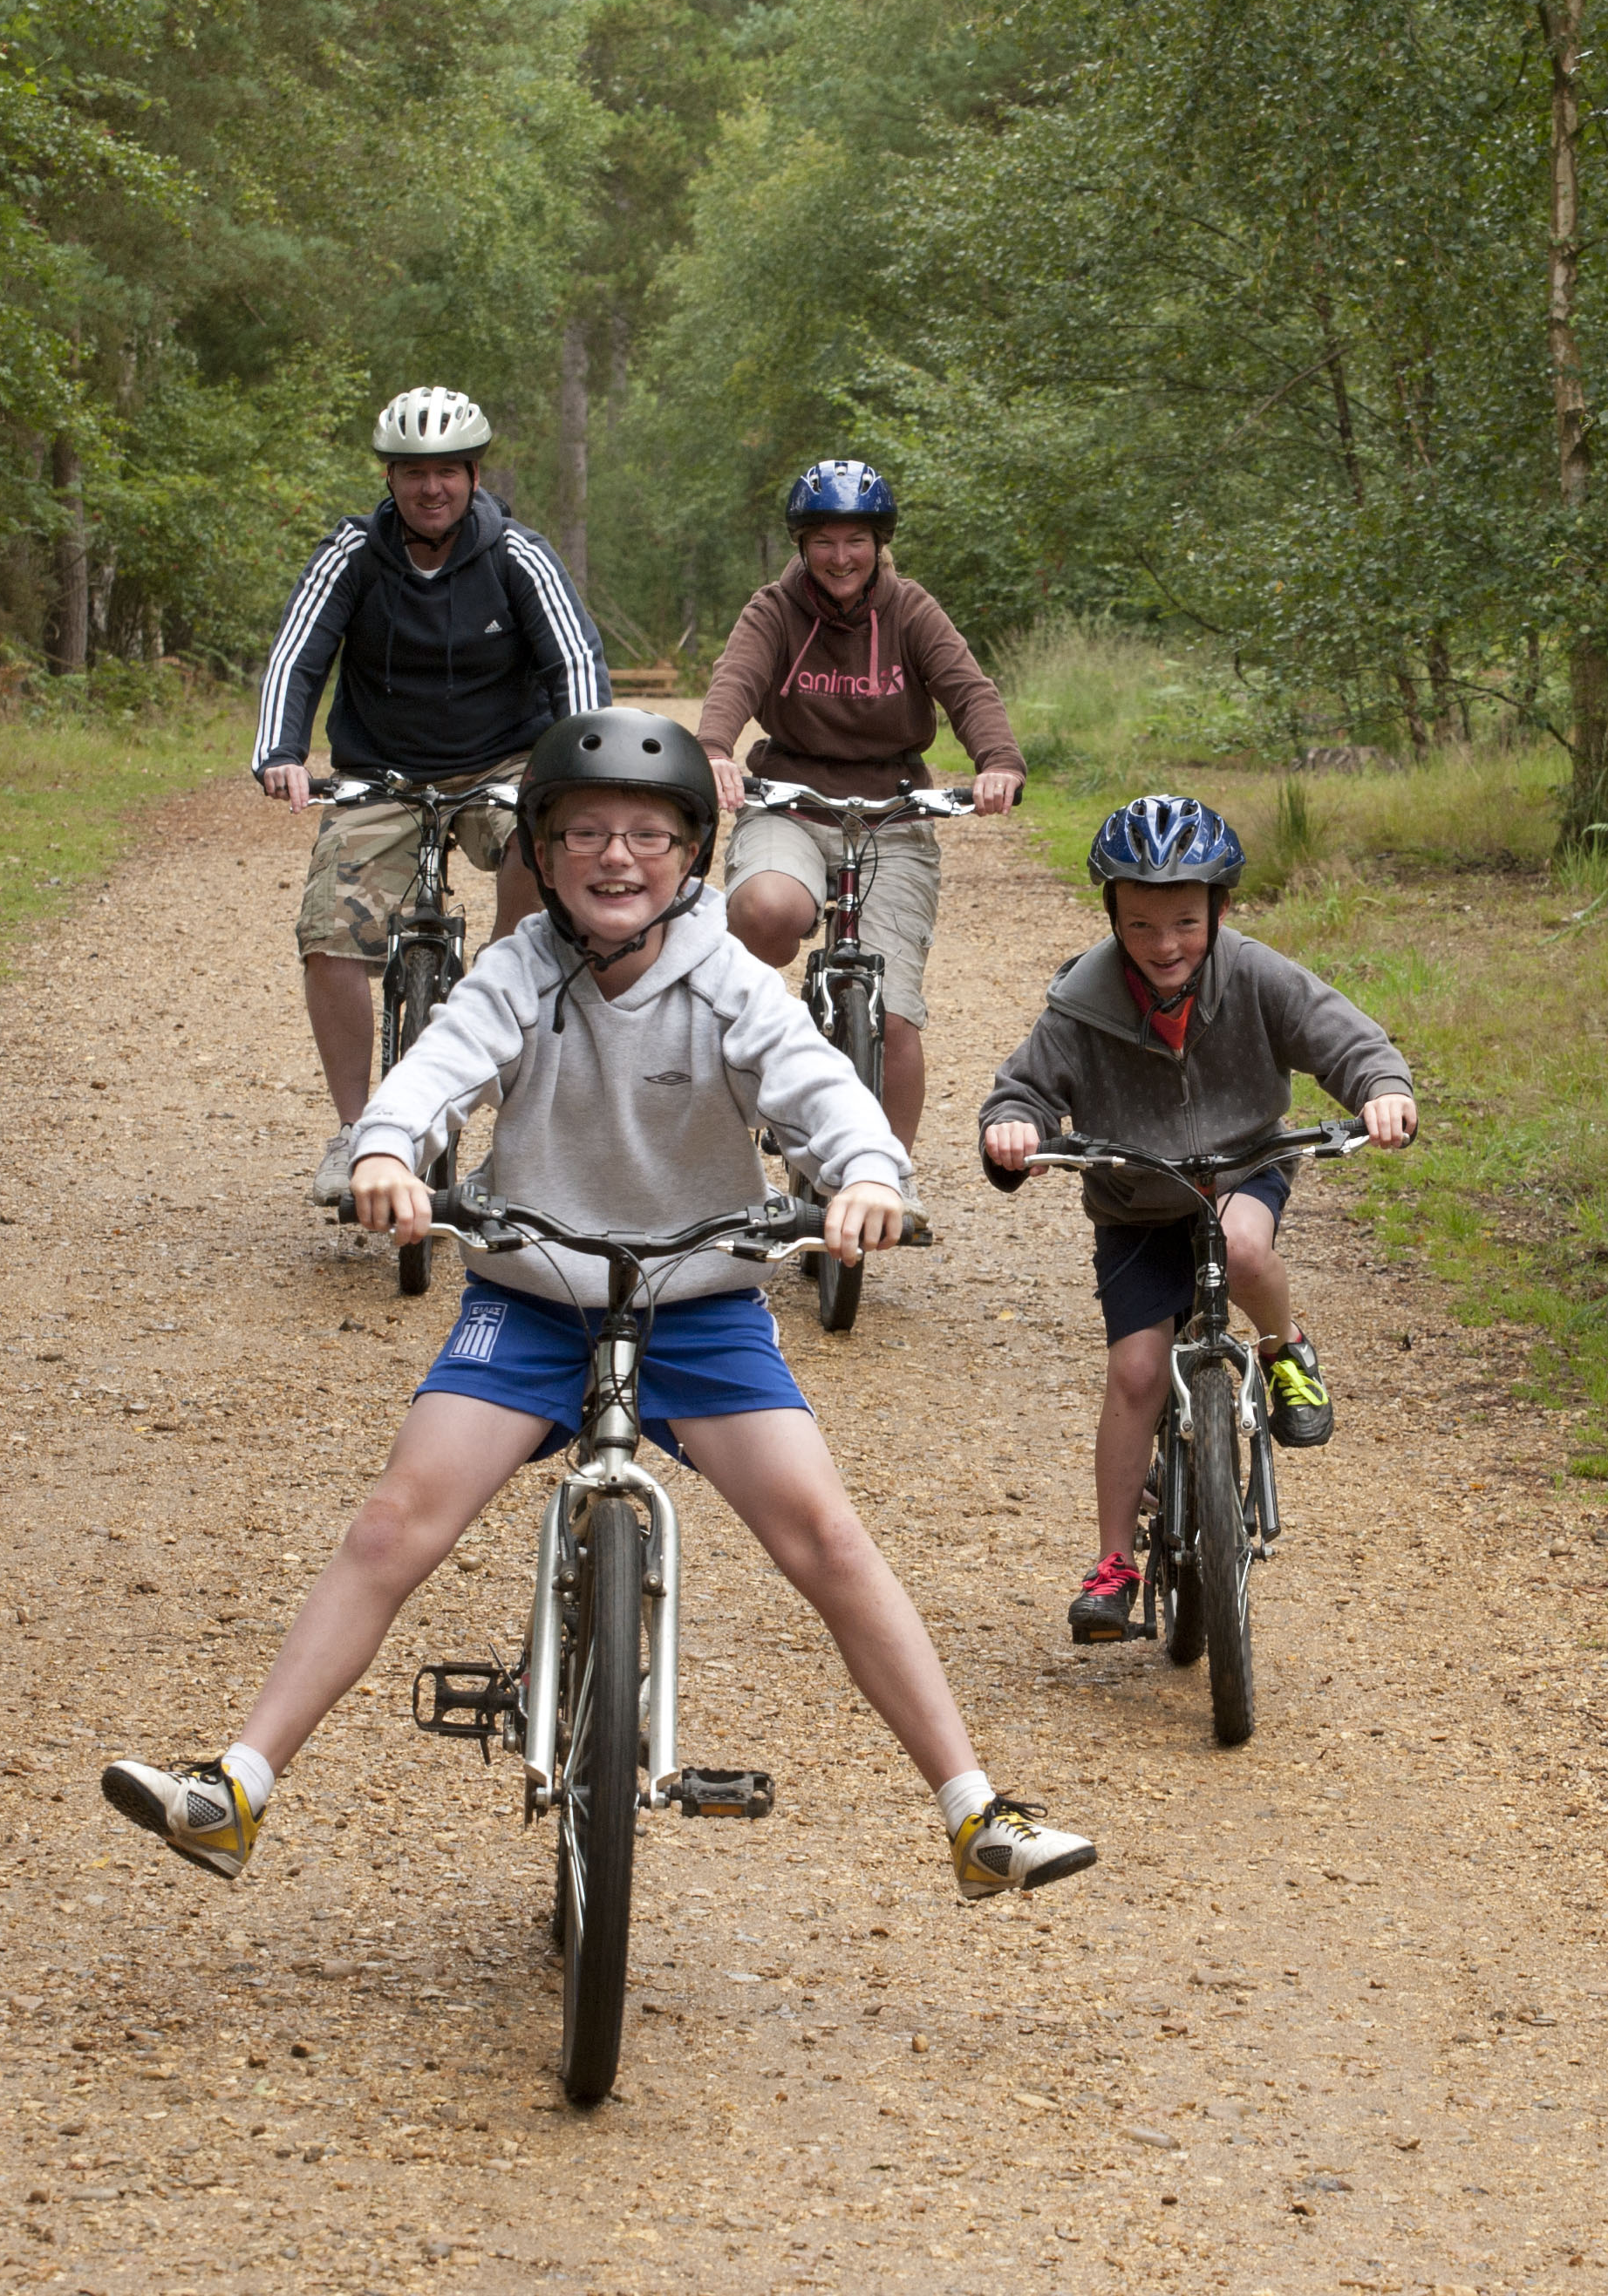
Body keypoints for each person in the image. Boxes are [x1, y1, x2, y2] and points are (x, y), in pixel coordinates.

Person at [104, 712, 1099, 1904]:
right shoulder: (518, 969)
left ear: (690, 854)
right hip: (532, 1295)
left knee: (828, 1539)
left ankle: (973, 1812)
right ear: (544, 849)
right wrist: (387, 1150)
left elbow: (818, 1084)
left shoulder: (728, 976)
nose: (615, 857)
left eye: (646, 834)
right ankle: (241, 1788)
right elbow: (437, 1068)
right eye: (583, 834)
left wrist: (870, 1176)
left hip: (701, 1306)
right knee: (393, 1522)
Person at [976, 794, 1420, 1646]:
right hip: (1135, 1200)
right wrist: (1013, 1126)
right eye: (1140, 926)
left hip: (1242, 1170)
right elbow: (1022, 1087)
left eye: (1184, 920)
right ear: (1111, 918)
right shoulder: (1082, 1000)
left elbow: (1348, 1042)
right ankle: (1113, 1562)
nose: (1164, 945)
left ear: (1220, 908)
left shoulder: (1255, 975)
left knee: (1244, 1246)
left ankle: (1285, 1350)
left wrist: (1382, 1091)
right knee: (1136, 1376)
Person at [251, 386, 614, 1208]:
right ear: (390, 478)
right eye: (413, 474)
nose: (431, 489)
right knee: (330, 934)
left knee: (539, 848)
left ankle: (507, 972)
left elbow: (574, 662)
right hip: (379, 772)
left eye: (447, 472)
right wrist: (280, 751)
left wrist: (583, 765)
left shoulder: (519, 554)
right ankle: (356, 1132)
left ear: (474, 476)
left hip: (499, 764)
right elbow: (297, 656)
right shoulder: (351, 554)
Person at [695, 460, 1023, 1169]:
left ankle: (884, 1180)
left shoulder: (911, 610)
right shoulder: (774, 610)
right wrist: (715, 749)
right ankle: (756, 1032)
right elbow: (736, 681)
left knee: (896, 1015)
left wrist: (999, 762)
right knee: (767, 911)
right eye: (823, 541)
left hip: (892, 812)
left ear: (880, 543)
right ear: (801, 546)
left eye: (856, 540)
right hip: (792, 800)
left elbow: (968, 689)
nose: (840, 557)